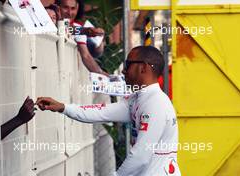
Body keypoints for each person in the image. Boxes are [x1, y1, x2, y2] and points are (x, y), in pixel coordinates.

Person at [36, 46, 181, 176]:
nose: (124, 70)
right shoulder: (139, 99)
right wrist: (63, 107)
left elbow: (140, 156)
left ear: (143, 68)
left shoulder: (155, 104)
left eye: (128, 64)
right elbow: (100, 112)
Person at [58, 0, 108, 76]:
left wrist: (103, 75)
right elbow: (64, 29)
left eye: (73, 8)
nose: (69, 12)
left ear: (77, 8)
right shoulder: (51, 15)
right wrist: (86, 31)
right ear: (57, 6)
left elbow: (86, 55)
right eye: (65, 7)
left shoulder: (76, 26)